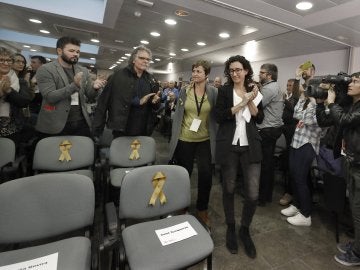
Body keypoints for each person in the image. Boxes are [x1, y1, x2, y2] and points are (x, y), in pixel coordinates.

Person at [215, 55, 263, 258]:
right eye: (232, 70)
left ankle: (245, 229)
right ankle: (231, 228)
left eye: (238, 70)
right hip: (229, 147)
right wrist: (241, 103)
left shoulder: (254, 91)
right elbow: (219, 115)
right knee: (229, 188)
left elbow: (258, 118)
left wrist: (251, 99)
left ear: (246, 71)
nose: (235, 73)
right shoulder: (224, 91)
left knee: (252, 194)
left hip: (250, 146)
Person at [168, 60, 217, 229]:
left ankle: (202, 209)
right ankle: (182, 206)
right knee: (184, 173)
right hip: (185, 138)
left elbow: (216, 115)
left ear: (206, 75)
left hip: (205, 139)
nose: (195, 74)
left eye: (199, 71)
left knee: (205, 174)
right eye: (194, 71)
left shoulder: (213, 92)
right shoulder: (184, 91)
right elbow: (178, 114)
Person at [35, 37, 106, 137]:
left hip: (80, 121)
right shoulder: (46, 69)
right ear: (59, 51)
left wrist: (95, 87)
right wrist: (74, 86)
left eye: (78, 51)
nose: (76, 54)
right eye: (71, 51)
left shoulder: (83, 70)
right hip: (55, 123)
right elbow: (50, 97)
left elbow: (90, 95)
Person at [326, 72, 360, 266]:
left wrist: (331, 103)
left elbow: (345, 120)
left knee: (358, 210)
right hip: (353, 162)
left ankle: (357, 254)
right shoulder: (354, 104)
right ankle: (357, 245)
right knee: (355, 208)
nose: (350, 83)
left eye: (356, 81)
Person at [93, 45, 161, 138]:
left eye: (148, 59)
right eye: (142, 58)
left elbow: (155, 105)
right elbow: (103, 102)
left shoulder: (151, 80)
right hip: (122, 128)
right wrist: (97, 129)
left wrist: (155, 102)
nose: (145, 61)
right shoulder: (118, 76)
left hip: (143, 129)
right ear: (133, 59)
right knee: (121, 152)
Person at [280, 80, 322, 226]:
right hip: (296, 141)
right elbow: (296, 114)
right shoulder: (306, 101)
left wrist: (310, 99)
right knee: (294, 175)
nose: (304, 89)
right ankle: (297, 206)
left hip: (308, 144)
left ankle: (305, 214)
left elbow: (310, 120)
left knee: (300, 178)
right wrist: (304, 97)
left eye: (308, 87)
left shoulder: (320, 104)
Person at [257, 63, 284, 206]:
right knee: (268, 164)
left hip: (267, 130)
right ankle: (265, 196)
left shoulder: (269, 88)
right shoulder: (273, 86)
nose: (259, 74)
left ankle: (262, 198)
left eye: (262, 72)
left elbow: (256, 105)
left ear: (269, 75)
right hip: (272, 129)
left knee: (264, 165)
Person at [0, 47, 32, 145]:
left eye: (9, 60)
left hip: (10, 125)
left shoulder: (18, 80)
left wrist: (8, 90)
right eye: (1, 60)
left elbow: (24, 101)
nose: (5, 63)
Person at [279, 78, 301, 206]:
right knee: (287, 164)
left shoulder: (297, 99)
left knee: (292, 165)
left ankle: (290, 193)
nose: (288, 87)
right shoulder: (290, 97)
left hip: (294, 134)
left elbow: (294, 113)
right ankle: (288, 190)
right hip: (286, 133)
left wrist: (285, 101)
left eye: (290, 85)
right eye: (287, 85)